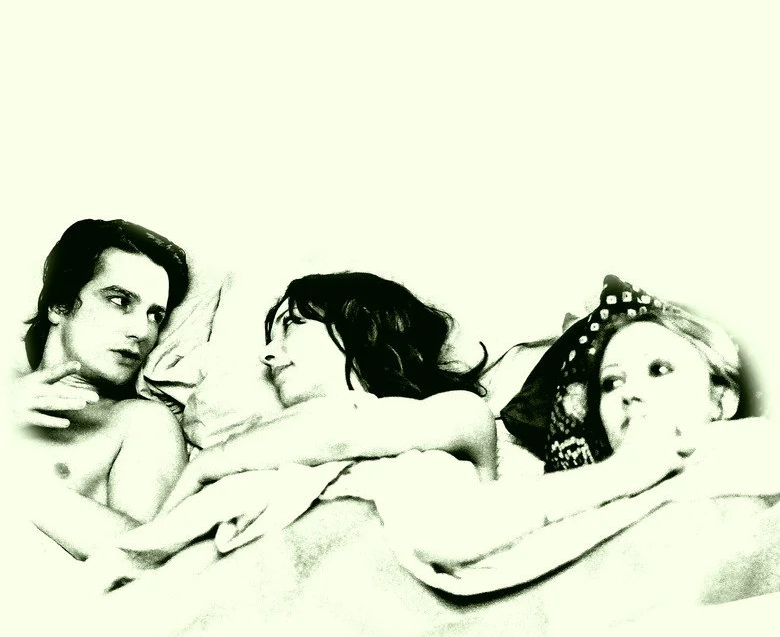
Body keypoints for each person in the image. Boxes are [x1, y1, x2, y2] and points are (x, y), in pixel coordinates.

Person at [399, 279, 750, 569]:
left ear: (721, 400)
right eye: (612, 383)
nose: (629, 393)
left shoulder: (751, 450)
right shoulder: (590, 491)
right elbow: (433, 539)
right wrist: (622, 473)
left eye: (659, 369)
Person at [161, 271, 497, 511]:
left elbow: (341, 432)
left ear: (363, 326)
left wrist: (210, 464)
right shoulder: (264, 440)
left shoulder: (459, 413)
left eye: (291, 324)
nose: (267, 354)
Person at [12, 218, 190, 558]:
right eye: (120, 301)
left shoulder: (141, 422)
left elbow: (144, 556)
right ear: (59, 304)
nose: (142, 331)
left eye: (156, 315)